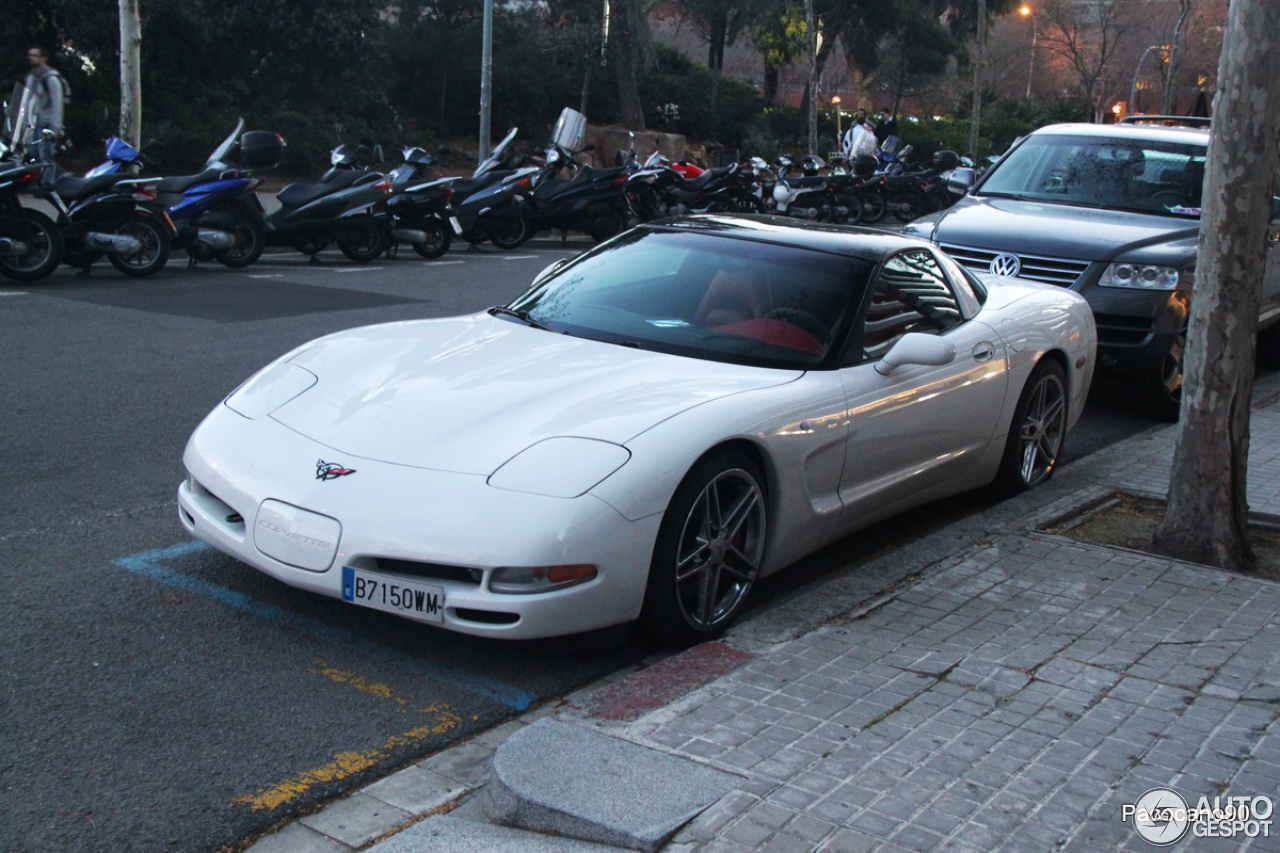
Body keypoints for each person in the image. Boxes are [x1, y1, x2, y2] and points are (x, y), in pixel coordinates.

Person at [23, 46, 65, 186]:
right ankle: (46, 178)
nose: (31, 58)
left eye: (35, 55)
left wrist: (56, 127)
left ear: (43, 58)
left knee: (46, 155)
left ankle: (48, 183)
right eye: (30, 55)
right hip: (34, 122)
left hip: (48, 123)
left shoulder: (51, 78)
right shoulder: (31, 77)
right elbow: (28, 99)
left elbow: (57, 103)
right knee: (34, 153)